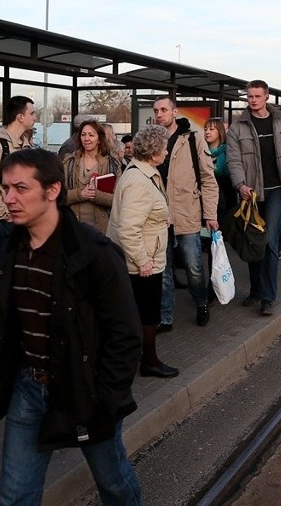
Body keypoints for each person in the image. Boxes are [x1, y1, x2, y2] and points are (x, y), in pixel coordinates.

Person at [0, 148, 143, 505]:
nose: (9, 198)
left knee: (112, 481)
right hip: (27, 389)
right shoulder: (11, 248)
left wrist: (107, 397)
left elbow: (125, 335)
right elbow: (5, 328)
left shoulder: (94, 252)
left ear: (52, 191)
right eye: (6, 188)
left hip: (84, 388)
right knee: (15, 495)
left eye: (21, 188)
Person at [227, 80, 281, 316]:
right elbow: (234, 160)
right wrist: (240, 184)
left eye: (257, 96)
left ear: (266, 97)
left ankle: (268, 296)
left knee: (271, 241)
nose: (253, 100)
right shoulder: (237, 127)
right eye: (249, 96)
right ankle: (255, 290)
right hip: (250, 193)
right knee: (253, 241)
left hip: (275, 190)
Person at [108, 124, 178, 379]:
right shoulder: (140, 180)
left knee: (142, 313)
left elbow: (144, 212)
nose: (167, 152)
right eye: (165, 147)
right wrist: (142, 261)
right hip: (142, 261)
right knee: (147, 314)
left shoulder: (143, 172)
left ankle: (141, 358)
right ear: (153, 151)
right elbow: (128, 228)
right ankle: (148, 362)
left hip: (146, 254)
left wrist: (162, 219)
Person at [152, 96, 219, 329]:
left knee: (193, 266)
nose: (159, 114)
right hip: (159, 215)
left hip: (187, 212)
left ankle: (201, 302)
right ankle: (165, 317)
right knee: (164, 268)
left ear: (174, 112)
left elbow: (208, 179)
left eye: (163, 110)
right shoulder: (153, 141)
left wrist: (210, 214)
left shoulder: (192, 137)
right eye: (156, 110)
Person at [0, 96, 35, 321]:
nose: (34, 117)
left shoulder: (24, 143)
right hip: (5, 223)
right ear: (20, 117)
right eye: (32, 113)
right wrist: (6, 216)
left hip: (22, 220)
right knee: (2, 273)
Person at [63, 119, 121, 235]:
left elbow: (119, 199)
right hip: (74, 227)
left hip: (102, 229)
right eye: (83, 135)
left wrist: (96, 195)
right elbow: (59, 196)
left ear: (99, 139)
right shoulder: (69, 162)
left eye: (91, 135)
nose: (86, 139)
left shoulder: (112, 164)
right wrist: (80, 194)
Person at [203, 117, 236, 298]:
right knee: (207, 244)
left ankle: (214, 286)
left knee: (215, 245)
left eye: (212, 129)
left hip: (221, 205)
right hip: (204, 205)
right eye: (206, 129)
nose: (207, 132)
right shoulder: (200, 151)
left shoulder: (226, 153)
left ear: (220, 133)